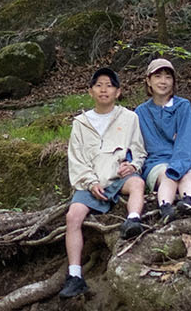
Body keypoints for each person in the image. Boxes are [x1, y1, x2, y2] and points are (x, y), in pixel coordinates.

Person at [59, 66, 147, 298]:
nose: (104, 90)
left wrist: (134, 165)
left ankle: (133, 221)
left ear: (118, 92)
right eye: (99, 85)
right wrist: (89, 183)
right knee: (73, 215)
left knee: (137, 185)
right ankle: (75, 274)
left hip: (118, 177)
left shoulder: (129, 118)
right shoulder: (81, 123)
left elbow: (139, 150)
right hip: (91, 181)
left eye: (109, 85)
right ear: (90, 92)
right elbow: (76, 159)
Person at [135, 58, 191, 222]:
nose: (163, 81)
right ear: (148, 81)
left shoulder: (183, 106)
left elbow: (187, 139)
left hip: (188, 158)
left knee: (188, 176)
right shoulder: (141, 112)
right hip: (157, 161)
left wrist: (178, 165)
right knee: (166, 175)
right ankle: (165, 207)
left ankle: (189, 202)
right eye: (158, 76)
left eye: (168, 77)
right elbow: (137, 144)